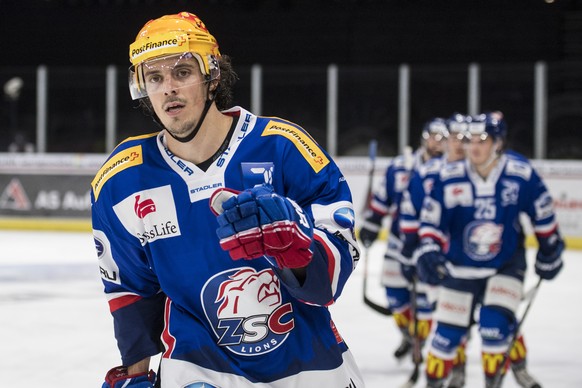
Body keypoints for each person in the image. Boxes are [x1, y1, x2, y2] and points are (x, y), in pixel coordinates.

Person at [91, 11, 363, 388]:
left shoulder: (284, 147)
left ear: (212, 76)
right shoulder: (122, 179)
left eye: (182, 72)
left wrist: (298, 251)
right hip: (196, 368)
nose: (168, 87)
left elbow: (330, 280)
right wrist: (133, 375)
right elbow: (132, 290)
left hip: (307, 365)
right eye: (154, 77)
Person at [413, 112, 565, 388]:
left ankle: (507, 373)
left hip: (504, 265)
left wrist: (550, 249)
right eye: (469, 139)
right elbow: (431, 222)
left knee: (494, 328)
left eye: (482, 139)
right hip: (459, 267)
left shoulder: (520, 174)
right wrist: (428, 249)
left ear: (498, 143)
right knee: (444, 339)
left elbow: (543, 215)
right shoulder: (449, 176)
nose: (473, 146)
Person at [359, 117, 446, 361]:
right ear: (423, 137)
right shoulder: (400, 166)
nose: (435, 142)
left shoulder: (450, 170)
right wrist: (371, 225)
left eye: (441, 138)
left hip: (432, 246)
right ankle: (409, 335)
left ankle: (421, 339)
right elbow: (381, 200)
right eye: (432, 136)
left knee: (425, 301)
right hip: (399, 243)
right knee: (396, 297)